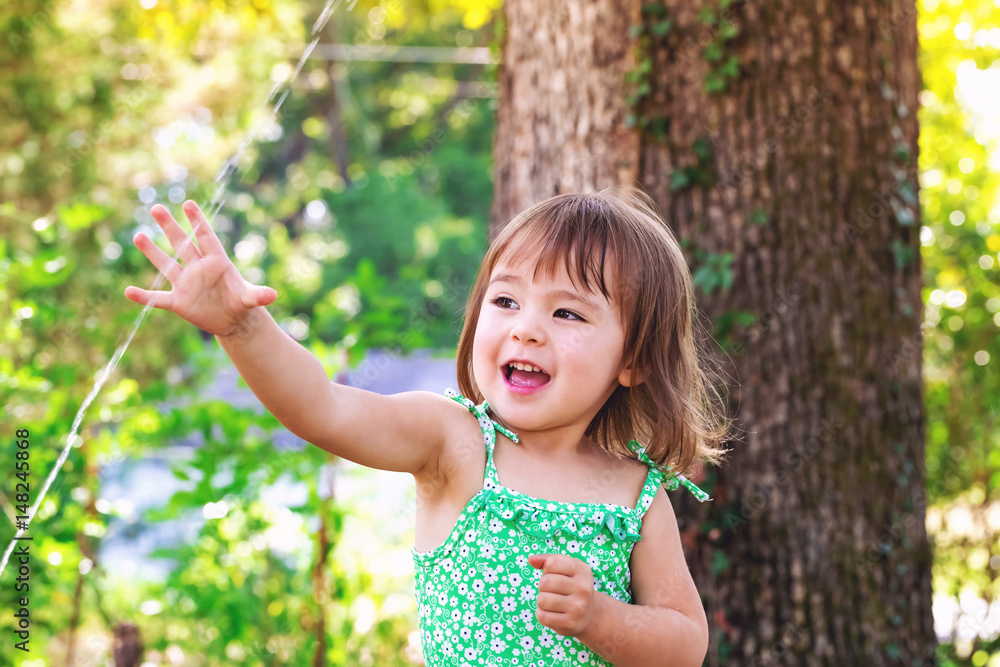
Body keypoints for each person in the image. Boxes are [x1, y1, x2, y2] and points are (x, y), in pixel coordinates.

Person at [125, 185, 731, 666]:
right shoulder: (456, 442)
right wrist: (241, 328)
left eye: (567, 312)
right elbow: (323, 407)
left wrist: (602, 619)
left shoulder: (635, 492)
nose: (525, 329)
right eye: (506, 301)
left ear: (633, 360)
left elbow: (684, 644)